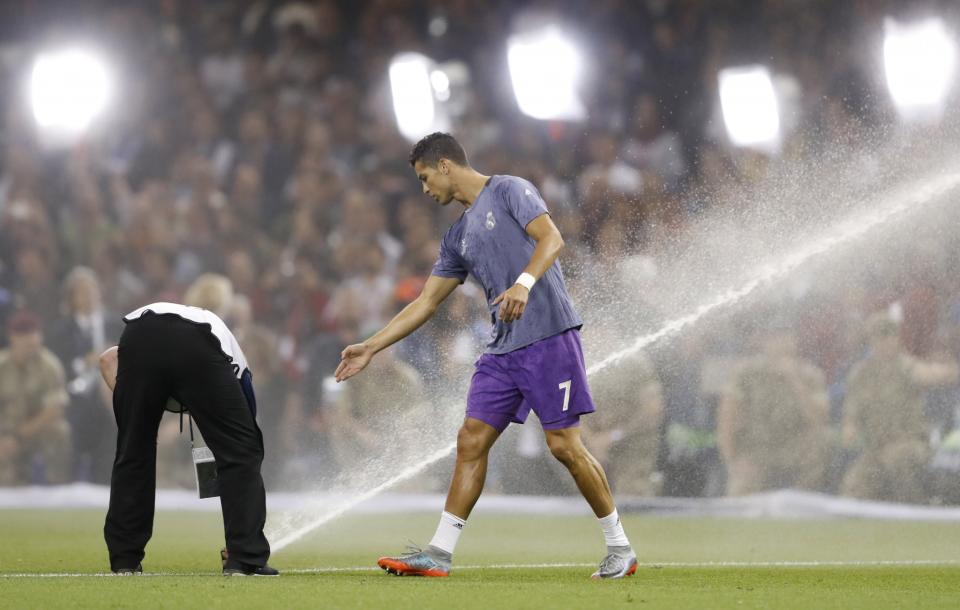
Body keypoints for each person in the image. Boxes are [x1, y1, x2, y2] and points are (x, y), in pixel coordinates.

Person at [335, 132, 637, 579]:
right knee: (470, 440)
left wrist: (524, 283)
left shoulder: (510, 188)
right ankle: (439, 553)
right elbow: (426, 303)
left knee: (564, 446)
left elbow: (551, 239)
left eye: (423, 177)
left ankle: (620, 547)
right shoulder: (456, 236)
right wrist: (372, 346)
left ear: (444, 166)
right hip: (502, 349)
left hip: (549, 337)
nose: (423, 190)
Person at [97, 274, 277, 576]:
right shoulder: (223, 338)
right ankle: (243, 557)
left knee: (134, 450)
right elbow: (246, 415)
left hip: (138, 330)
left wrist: (135, 407)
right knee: (244, 450)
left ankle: (124, 560)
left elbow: (106, 360)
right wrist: (243, 440)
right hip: (197, 340)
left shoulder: (174, 321)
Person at [840, 312, 959, 503]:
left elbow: (930, 375)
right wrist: (850, 427)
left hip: (910, 442)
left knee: (901, 462)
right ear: (871, 340)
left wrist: (949, 370)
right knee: (853, 487)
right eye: (879, 336)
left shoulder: (905, 366)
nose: (885, 341)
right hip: (876, 449)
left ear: (896, 338)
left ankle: (913, 510)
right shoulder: (861, 374)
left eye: (889, 335)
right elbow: (852, 409)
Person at [718, 317, 834, 495]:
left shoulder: (810, 375)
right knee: (741, 491)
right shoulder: (746, 373)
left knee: (822, 444)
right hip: (756, 451)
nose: (781, 343)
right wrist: (731, 461)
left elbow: (819, 418)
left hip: (796, 453)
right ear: (765, 342)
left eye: (786, 337)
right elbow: (728, 417)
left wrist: (794, 380)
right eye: (775, 338)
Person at [0, 310, 72, 485]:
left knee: (60, 430)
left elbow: (55, 410)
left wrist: (18, 436)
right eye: (26, 338)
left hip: (34, 432)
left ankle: (58, 485)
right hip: (4, 432)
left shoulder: (49, 366)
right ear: (13, 338)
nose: (32, 342)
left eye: (35, 337)